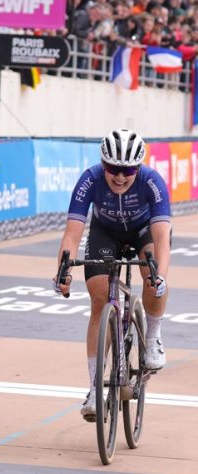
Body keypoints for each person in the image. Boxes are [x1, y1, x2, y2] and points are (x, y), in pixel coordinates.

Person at [54, 128, 171, 422]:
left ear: (138, 167)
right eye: (113, 169)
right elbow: (71, 235)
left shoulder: (152, 182)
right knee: (98, 300)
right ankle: (94, 390)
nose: (119, 177)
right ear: (103, 164)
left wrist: (161, 276)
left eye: (127, 171)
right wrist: (62, 273)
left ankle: (153, 335)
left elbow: (162, 239)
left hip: (142, 231)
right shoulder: (89, 180)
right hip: (105, 233)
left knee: (152, 271)